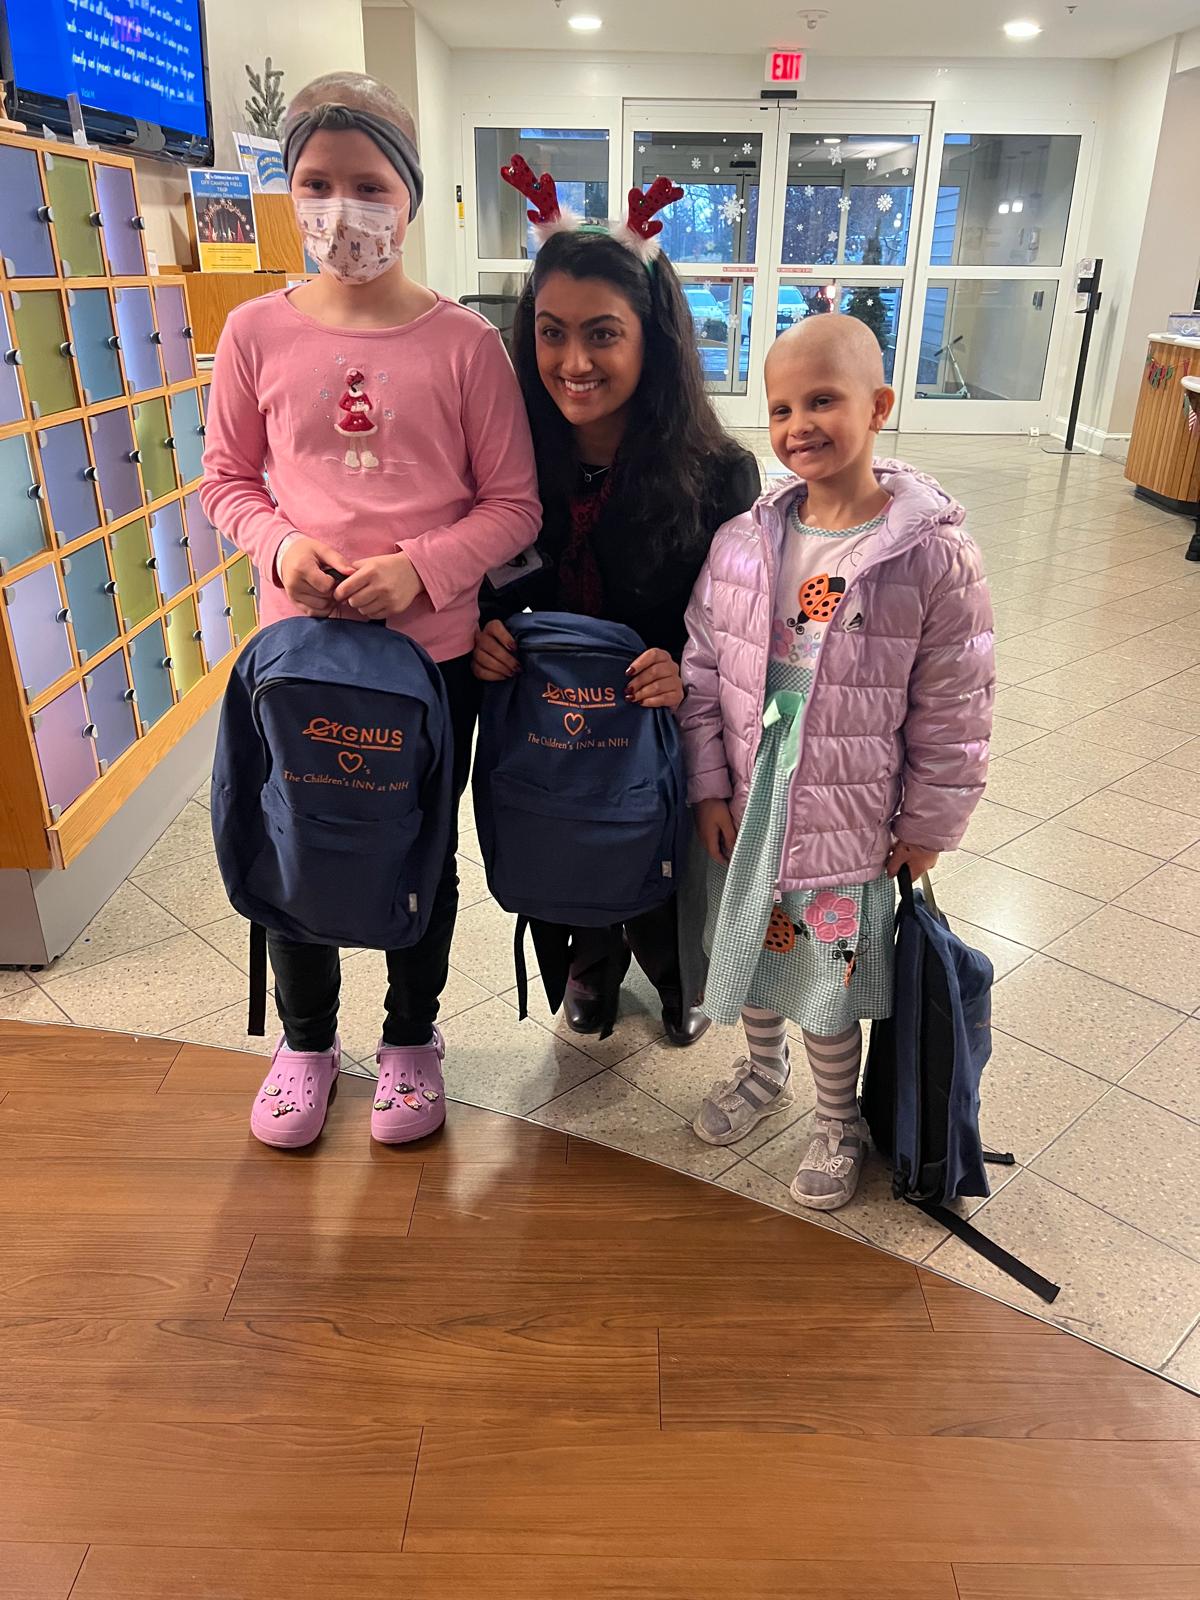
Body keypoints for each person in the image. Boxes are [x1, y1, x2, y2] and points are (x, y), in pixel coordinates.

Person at [201, 73, 540, 1150]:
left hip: (430, 662)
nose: (340, 207)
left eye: (368, 184)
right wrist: (280, 545)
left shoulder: (466, 346)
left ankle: (409, 1036)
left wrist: (423, 569)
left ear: (410, 195)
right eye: (315, 183)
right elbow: (225, 481)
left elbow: (513, 504)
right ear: (288, 191)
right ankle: (306, 1043)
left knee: (417, 847)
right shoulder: (254, 332)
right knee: (293, 833)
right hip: (297, 655)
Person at [681, 314, 993, 1208]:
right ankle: (761, 1068)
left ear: (878, 406)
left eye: (823, 400)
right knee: (745, 952)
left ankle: (836, 1118)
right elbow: (702, 668)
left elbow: (955, 708)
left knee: (825, 981)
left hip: (845, 811)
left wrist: (928, 826)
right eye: (782, 408)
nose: (799, 425)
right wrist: (708, 784)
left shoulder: (930, 555)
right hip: (753, 794)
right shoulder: (744, 542)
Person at [472, 171, 760, 1046]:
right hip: (549, 720)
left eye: (603, 334)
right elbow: (484, 569)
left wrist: (683, 665)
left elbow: (739, 621)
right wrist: (485, 631)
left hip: (655, 719)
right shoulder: (510, 459)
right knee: (563, 836)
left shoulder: (717, 474)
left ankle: (675, 971)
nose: (574, 363)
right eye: (552, 333)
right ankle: (588, 963)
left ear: (650, 339)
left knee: (657, 850)